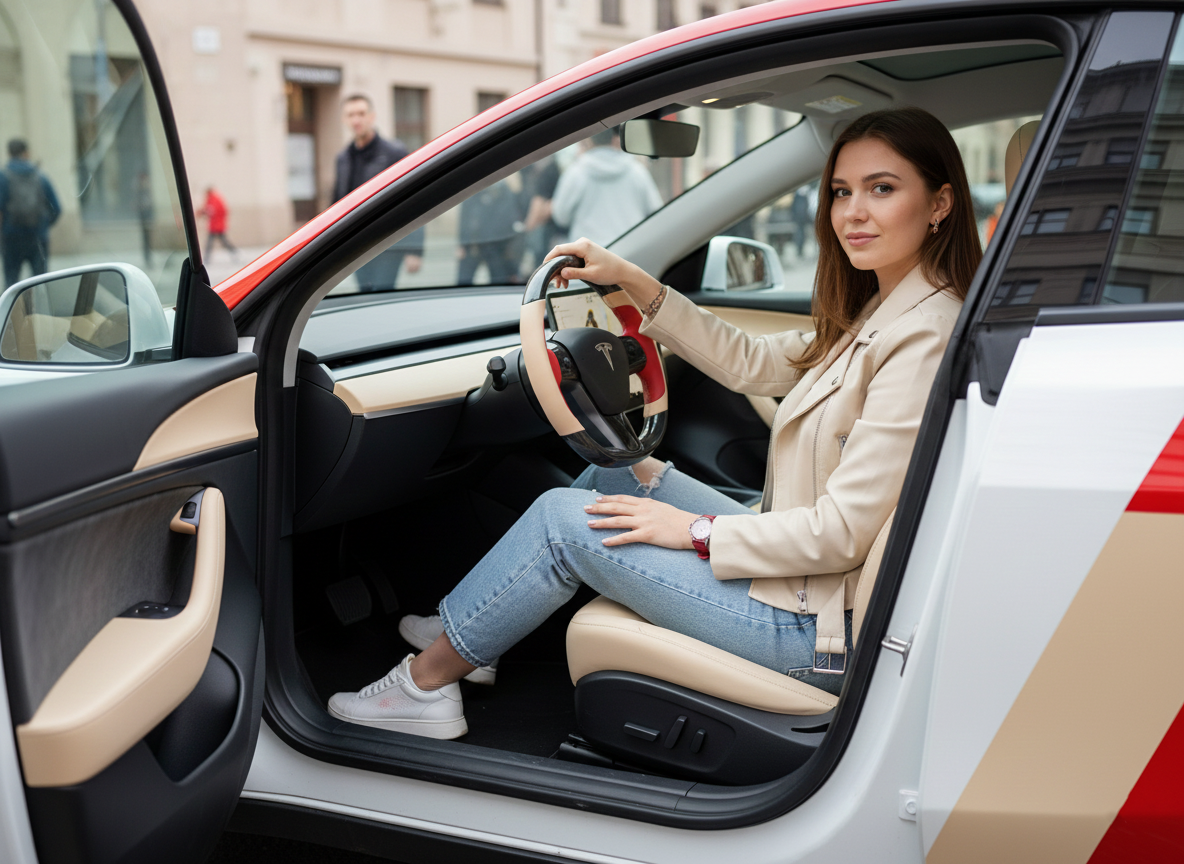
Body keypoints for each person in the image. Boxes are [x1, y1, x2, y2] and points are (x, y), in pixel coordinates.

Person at [328, 107, 980, 739]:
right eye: (841, 191)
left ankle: (424, 688)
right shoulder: (882, 311)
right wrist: (632, 280)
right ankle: (474, 631)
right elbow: (752, 361)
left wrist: (692, 530)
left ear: (941, 203)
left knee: (563, 524)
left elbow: (839, 533)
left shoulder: (919, 336)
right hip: (801, 581)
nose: (852, 212)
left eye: (882, 189)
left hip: (812, 630)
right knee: (622, 467)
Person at [333, 93, 423, 292]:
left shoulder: (394, 153)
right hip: (355, 248)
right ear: (344, 119)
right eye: (350, 115)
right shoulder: (343, 158)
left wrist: (414, 249)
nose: (356, 120)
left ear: (372, 116)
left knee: (381, 296)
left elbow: (414, 199)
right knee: (364, 296)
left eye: (361, 113)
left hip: (387, 245)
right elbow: (336, 205)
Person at [551, 128, 663, 247]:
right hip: (629, 252)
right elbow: (656, 213)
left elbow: (560, 216)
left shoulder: (575, 173)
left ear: (589, 140)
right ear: (614, 139)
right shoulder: (637, 171)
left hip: (588, 255)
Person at [0, 139, 61, 287]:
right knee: (40, 284)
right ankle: (40, 310)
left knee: (12, 283)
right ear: (26, 153)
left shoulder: (3, 177)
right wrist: (44, 224)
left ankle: (13, 310)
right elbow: (57, 209)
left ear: (9, 153)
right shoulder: (41, 177)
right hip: (38, 237)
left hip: (11, 237)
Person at [199, 187, 237, 258]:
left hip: (216, 225)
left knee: (212, 242)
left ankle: (206, 258)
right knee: (222, 241)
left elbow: (211, 210)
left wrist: (202, 212)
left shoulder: (213, 200)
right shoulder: (214, 199)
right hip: (216, 225)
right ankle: (234, 253)